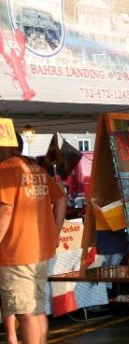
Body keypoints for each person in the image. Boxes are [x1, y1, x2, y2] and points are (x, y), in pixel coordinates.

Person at [0, 132, 67, 344]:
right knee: (36, 311)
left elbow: (5, 212)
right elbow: (62, 200)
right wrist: (54, 234)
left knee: (26, 313)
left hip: (16, 253)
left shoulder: (5, 169)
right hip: (40, 252)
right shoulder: (37, 169)